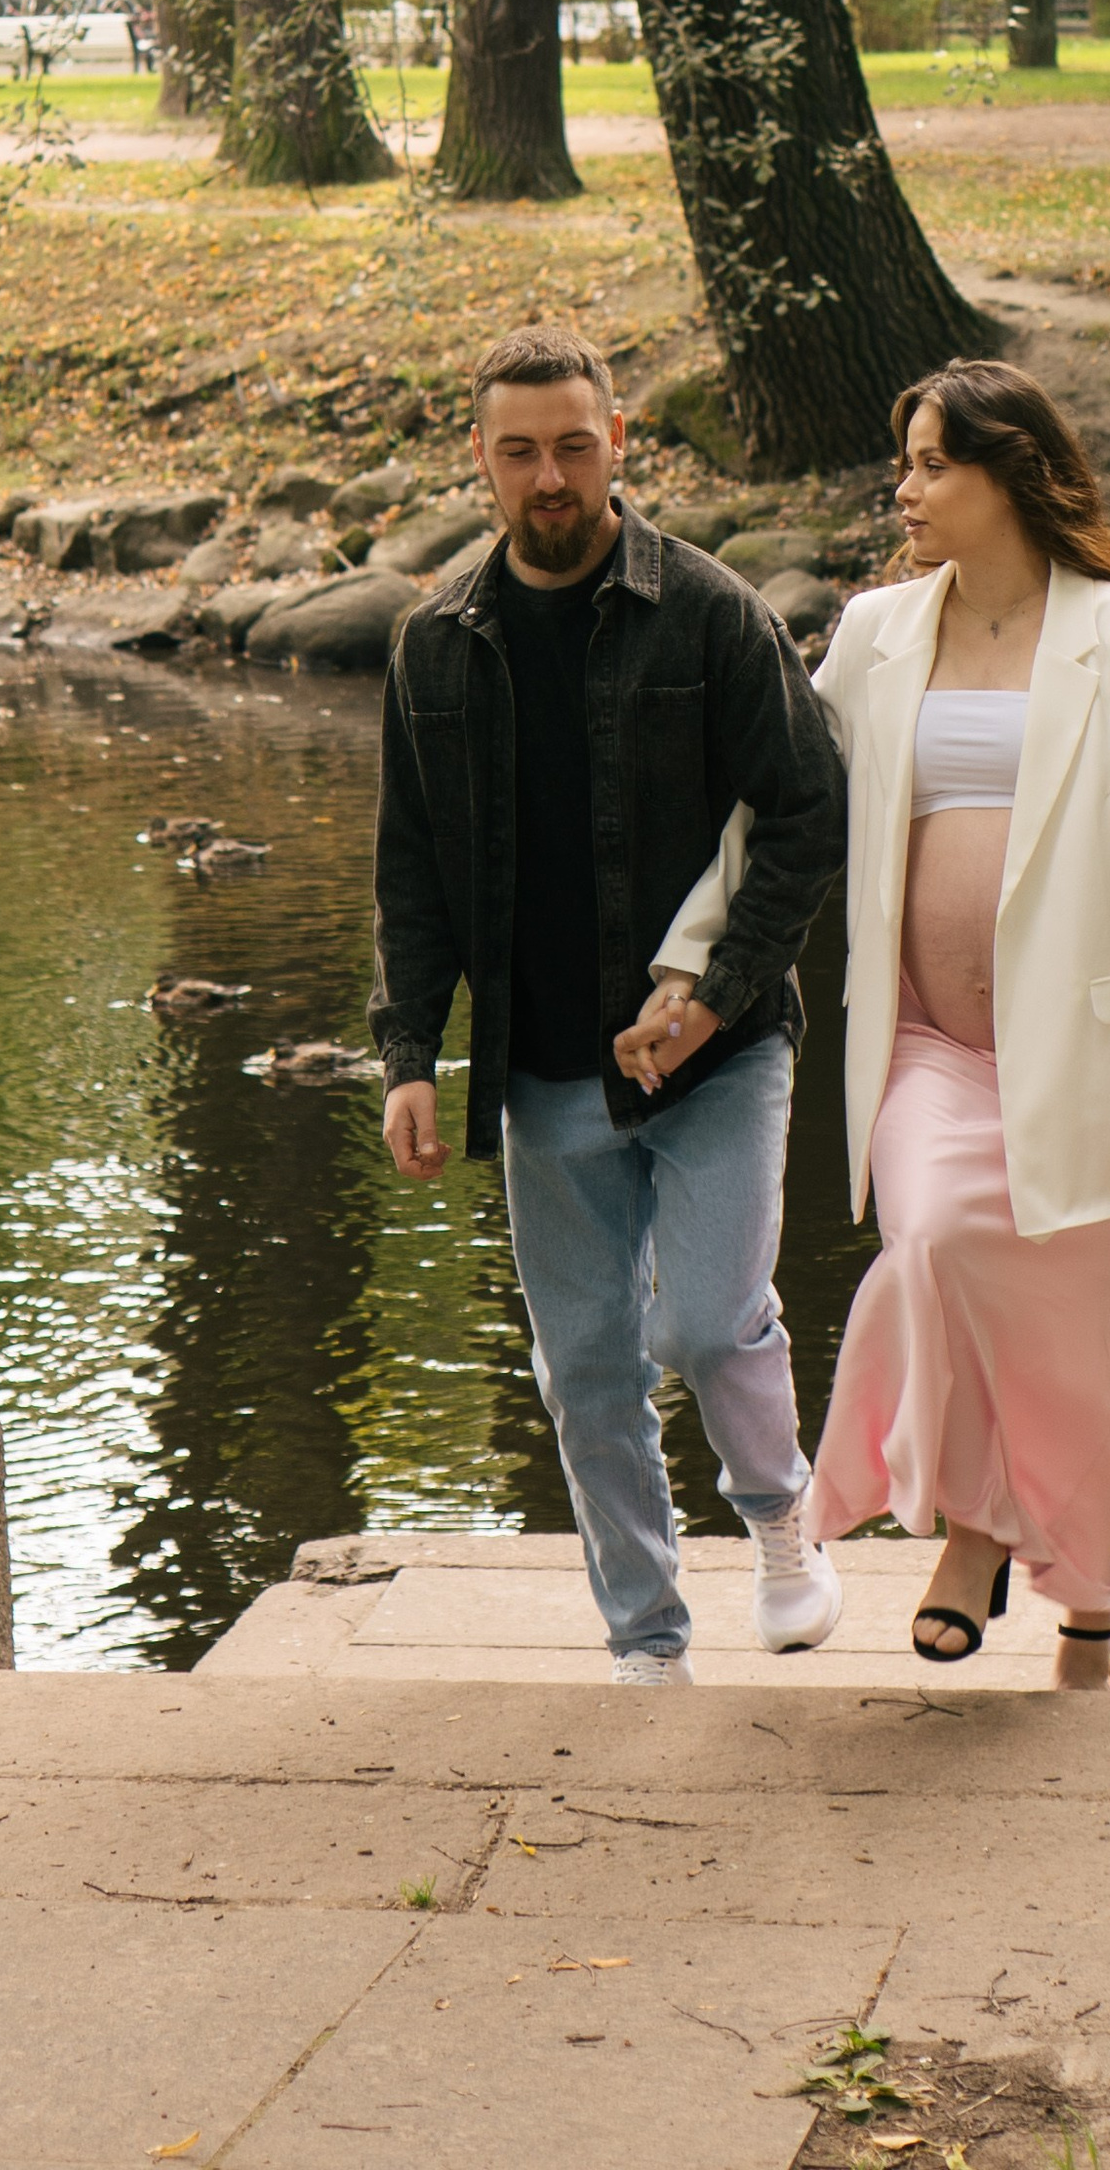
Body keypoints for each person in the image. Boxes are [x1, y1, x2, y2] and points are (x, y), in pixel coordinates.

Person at [620, 358, 1110, 1690]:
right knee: (938, 1241)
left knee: (1088, 1360)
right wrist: (693, 971)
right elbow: (780, 817)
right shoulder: (875, 635)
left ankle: (1087, 1597)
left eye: (927, 466)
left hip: (1096, 1063)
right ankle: (971, 1537)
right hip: (924, 1049)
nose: (901, 490)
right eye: (902, 464)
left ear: (1007, 473)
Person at [370, 320, 851, 1680]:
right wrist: (413, 1052)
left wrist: (715, 992)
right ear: (480, 460)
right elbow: (413, 868)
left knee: (707, 1319)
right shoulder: (435, 645)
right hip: (542, 1072)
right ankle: (645, 1642)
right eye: (518, 453)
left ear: (619, 442)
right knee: (582, 1369)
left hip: (721, 1058)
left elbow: (813, 814)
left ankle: (778, 1526)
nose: (549, 479)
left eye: (574, 447)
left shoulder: (710, 613)